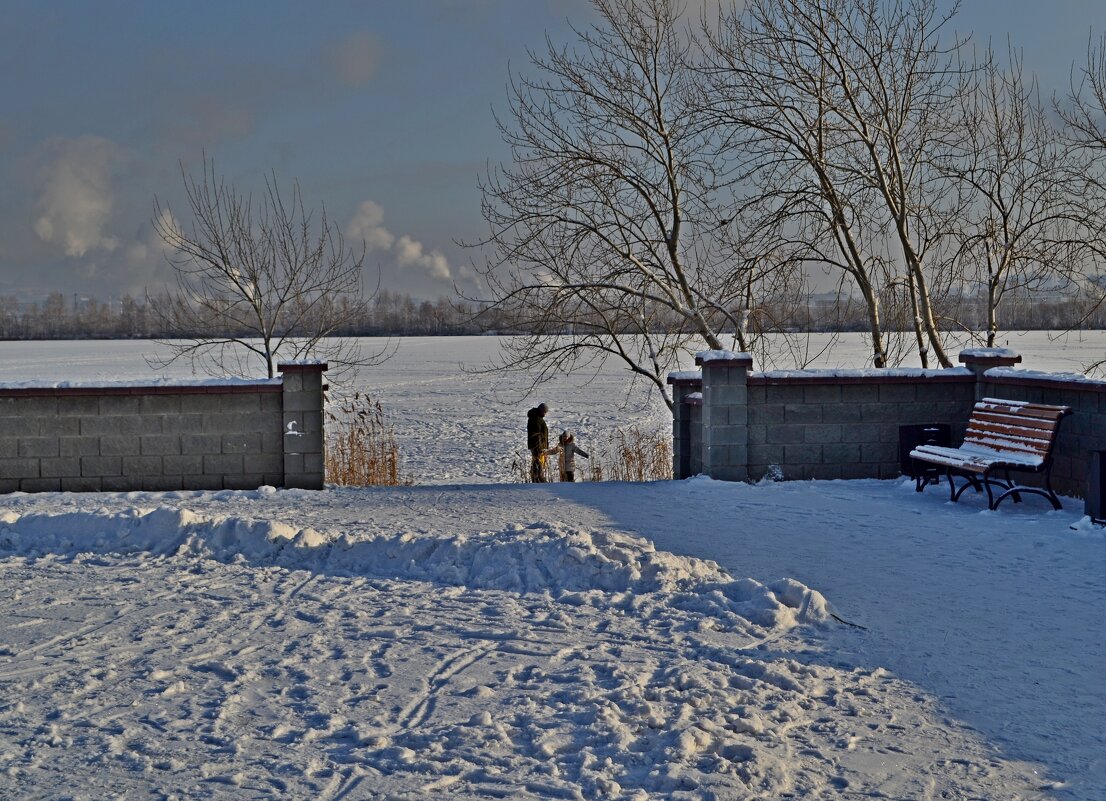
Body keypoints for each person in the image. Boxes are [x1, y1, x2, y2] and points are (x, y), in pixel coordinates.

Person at [526, 403, 550, 482]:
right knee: (538, 462)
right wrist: (540, 447)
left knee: (537, 462)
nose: (545, 414)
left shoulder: (537, 417)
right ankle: (538, 479)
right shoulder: (536, 419)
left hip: (537, 446)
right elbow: (537, 436)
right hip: (537, 446)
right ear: (541, 411)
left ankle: (537, 478)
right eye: (545, 412)